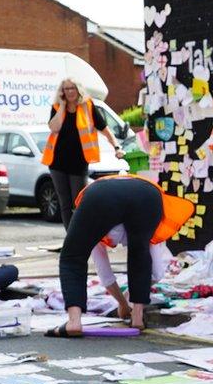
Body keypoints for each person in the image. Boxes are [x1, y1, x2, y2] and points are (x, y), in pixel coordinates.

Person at [45, 175, 193, 337]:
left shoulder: (95, 223)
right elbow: (156, 271)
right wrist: (128, 303)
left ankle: (74, 322)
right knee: (140, 253)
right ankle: (137, 318)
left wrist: (122, 303)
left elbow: (104, 272)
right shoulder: (152, 220)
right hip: (147, 196)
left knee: (72, 256)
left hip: (100, 196)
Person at [43, 77, 125, 229]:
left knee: (79, 202)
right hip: (57, 163)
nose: (69, 92)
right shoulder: (56, 107)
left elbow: (104, 129)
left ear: (78, 89)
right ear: (62, 92)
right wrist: (61, 106)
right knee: (65, 204)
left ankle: (81, 235)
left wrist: (116, 147)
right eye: (66, 89)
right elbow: (53, 128)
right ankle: (70, 238)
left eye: (72, 88)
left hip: (79, 162)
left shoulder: (88, 106)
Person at [91, 228, 174, 321]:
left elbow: (156, 274)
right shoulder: (94, 227)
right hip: (102, 225)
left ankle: (135, 306)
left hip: (141, 224)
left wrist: (129, 296)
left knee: (157, 273)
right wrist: (122, 303)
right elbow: (104, 273)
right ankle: (136, 312)